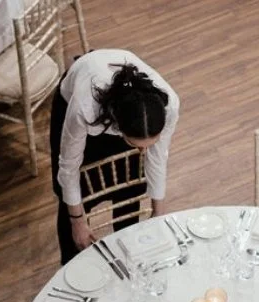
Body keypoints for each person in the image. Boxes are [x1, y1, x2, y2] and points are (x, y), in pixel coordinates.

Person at [50, 49, 180, 265]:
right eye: (136, 145)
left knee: (131, 183)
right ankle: (72, 263)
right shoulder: (85, 108)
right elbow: (68, 166)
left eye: (149, 145)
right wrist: (77, 220)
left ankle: (130, 254)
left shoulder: (169, 106)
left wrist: (159, 212)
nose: (144, 152)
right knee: (76, 191)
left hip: (128, 113)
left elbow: (158, 158)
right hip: (74, 99)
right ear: (119, 129)